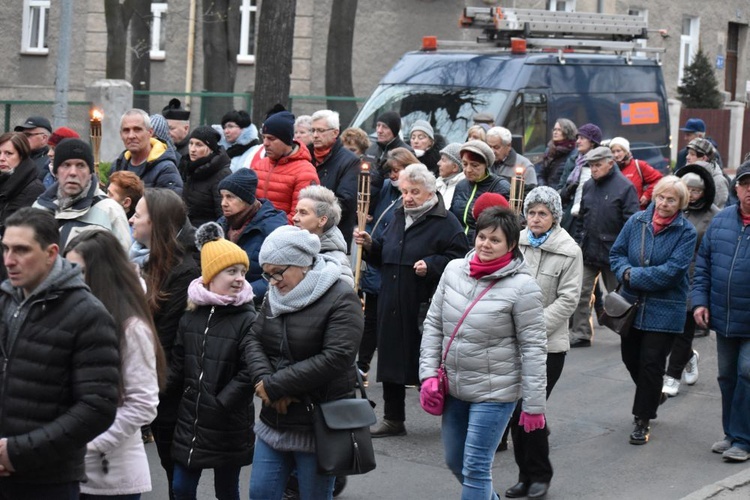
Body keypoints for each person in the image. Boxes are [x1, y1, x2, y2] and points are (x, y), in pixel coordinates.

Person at [419, 206, 548, 500]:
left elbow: (533, 349)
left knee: (476, 467)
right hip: (454, 387)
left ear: (511, 245)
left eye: (495, 240)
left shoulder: (523, 287)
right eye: (482, 237)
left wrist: (533, 405)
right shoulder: (453, 270)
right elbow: (434, 325)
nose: (485, 245)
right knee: (455, 461)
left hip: (496, 392)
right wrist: (427, 375)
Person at [0, 207, 119, 498]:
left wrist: (16, 452)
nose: (9, 260)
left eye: (21, 250)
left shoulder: (88, 314)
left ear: (51, 253)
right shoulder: (6, 299)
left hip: (46, 481)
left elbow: (97, 407)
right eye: (5, 248)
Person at [246, 225, 363, 499]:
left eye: (277, 272)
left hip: (319, 424)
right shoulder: (274, 297)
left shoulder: (341, 297)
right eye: (267, 273)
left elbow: (337, 356)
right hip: (274, 419)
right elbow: (253, 339)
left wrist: (276, 386)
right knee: (261, 492)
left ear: (301, 263)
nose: (272, 281)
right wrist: (264, 382)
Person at [354, 164, 469, 437]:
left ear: (430, 193)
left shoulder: (446, 221)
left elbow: (460, 258)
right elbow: (384, 252)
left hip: (423, 302)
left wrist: (431, 265)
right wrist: (370, 245)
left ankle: (454, 419)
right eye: (405, 191)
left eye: (415, 192)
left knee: (428, 363)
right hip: (390, 299)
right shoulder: (397, 214)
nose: (408, 197)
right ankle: (393, 419)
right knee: (391, 360)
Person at [64, 230, 166, 500]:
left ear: (102, 275)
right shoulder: (69, 316)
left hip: (110, 480)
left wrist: (85, 444)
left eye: (80, 271)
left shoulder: (131, 329)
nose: (70, 280)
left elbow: (142, 404)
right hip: (64, 472)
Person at [166, 222, 257, 499]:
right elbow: (179, 363)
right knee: (181, 487)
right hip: (191, 419)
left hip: (228, 421)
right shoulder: (190, 317)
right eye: (231, 271)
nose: (239, 278)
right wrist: (158, 391)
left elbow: (249, 371)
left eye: (242, 271)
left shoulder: (248, 319)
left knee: (227, 489)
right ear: (210, 276)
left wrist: (222, 402)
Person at [504, 187, 583, 497]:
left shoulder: (568, 250)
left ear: (555, 217)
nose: (536, 219)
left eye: (543, 214)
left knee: (529, 409)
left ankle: (539, 476)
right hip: (511, 341)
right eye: (532, 213)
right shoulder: (516, 241)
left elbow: (568, 299)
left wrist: (534, 326)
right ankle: (525, 475)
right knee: (514, 413)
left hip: (547, 346)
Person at [609, 176, 696, 445]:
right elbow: (617, 253)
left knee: (651, 363)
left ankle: (642, 420)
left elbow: (673, 271)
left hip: (665, 309)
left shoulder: (686, 231)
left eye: (672, 200)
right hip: (632, 306)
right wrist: (624, 271)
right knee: (630, 358)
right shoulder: (637, 221)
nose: (665, 204)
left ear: (681, 203)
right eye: (661, 197)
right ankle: (653, 393)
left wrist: (633, 277)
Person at [129, 188, 201, 498]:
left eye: (138, 214)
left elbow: (170, 343)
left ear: (156, 223)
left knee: (178, 480)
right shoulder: (146, 261)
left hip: (173, 394)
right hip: (156, 385)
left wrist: (148, 393)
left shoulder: (184, 271)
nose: (132, 218)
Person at [692, 160, 750, 462]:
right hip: (725, 316)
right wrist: (700, 302)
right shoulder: (723, 220)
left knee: (747, 371)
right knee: (727, 376)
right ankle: (731, 433)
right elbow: (703, 266)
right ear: (737, 188)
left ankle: (744, 438)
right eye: (746, 184)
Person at [569, 146, 639, 348]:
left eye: (598, 165)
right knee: (580, 292)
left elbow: (632, 223)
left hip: (614, 253)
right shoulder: (589, 185)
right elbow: (582, 217)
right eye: (591, 165)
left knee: (621, 296)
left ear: (611, 163)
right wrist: (578, 242)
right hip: (589, 249)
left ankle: (631, 332)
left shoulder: (625, 187)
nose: (593, 169)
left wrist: (626, 251)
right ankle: (580, 333)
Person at [660, 166, 720, 398]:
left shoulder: (713, 214)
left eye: (697, 190)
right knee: (669, 333)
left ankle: (672, 376)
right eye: (689, 189)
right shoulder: (674, 210)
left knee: (685, 330)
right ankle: (689, 357)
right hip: (668, 277)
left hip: (696, 277)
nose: (693, 194)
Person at [356, 148, 413, 385]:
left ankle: (402, 371)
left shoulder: (413, 195)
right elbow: (369, 192)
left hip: (397, 263)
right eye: (390, 171)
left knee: (398, 324)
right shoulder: (387, 188)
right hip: (376, 258)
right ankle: (361, 367)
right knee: (370, 320)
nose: (393, 175)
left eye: (397, 171)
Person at [33, 139, 131, 252]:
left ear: (90, 173)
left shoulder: (111, 212)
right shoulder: (39, 207)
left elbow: (122, 263)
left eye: (80, 165)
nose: (73, 172)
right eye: (66, 165)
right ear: (56, 172)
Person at [217, 168, 289, 304]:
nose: (223, 203)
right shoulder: (222, 225)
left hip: (256, 305)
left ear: (246, 199)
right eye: (222, 197)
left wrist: (241, 294)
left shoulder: (273, 229)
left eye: (230, 197)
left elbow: (279, 277)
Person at [252, 110, 319, 224]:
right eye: (264, 137)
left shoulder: (305, 172)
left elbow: (301, 217)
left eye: (271, 138)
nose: (265, 143)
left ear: (286, 140)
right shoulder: (259, 165)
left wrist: (266, 229)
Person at [307, 110, 359, 250]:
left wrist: (314, 215)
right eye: (313, 130)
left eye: (320, 130)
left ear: (335, 133)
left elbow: (345, 201)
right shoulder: (305, 155)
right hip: (303, 231)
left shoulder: (350, 161)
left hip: (332, 238)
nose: (315, 135)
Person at [293, 185, 354, 286]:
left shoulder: (337, 263)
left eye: (303, 213)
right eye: (296, 212)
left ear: (322, 220)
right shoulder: (293, 248)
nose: (295, 218)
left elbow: (342, 297)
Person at [450, 140, 510, 242]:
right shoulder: (461, 186)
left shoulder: (500, 187)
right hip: (458, 245)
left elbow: (508, 224)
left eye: (475, 165)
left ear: (486, 165)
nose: (468, 169)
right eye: (465, 164)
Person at [111, 109, 183, 194]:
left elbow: (171, 205)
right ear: (121, 135)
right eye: (126, 130)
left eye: (137, 129)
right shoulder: (118, 165)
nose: (131, 136)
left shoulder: (166, 169)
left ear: (150, 132)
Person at [179, 126, 232, 227]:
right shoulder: (188, 168)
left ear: (210, 149)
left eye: (199, 145)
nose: (193, 149)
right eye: (191, 143)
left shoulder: (221, 174)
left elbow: (224, 216)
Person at [557, 123, 601, 235]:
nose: (577, 141)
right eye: (577, 138)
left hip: (590, 217)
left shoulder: (600, 163)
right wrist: (568, 190)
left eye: (582, 138)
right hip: (569, 217)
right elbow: (560, 189)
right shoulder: (572, 161)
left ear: (592, 142)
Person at [0, 133, 44, 239]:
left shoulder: (34, 189)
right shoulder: (3, 179)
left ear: (21, 156)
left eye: (8, 153)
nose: (1, 158)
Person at [609, 137, 663, 210]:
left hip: (636, 212)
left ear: (626, 151)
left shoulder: (639, 165)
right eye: (613, 152)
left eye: (619, 151)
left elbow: (659, 180)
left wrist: (647, 195)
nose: (616, 155)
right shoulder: (609, 169)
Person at [365, 111, 411, 188]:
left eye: (385, 127)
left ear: (394, 130)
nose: (379, 131)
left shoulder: (406, 152)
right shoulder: (371, 149)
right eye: (378, 125)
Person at [486, 126, 537, 191]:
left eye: (496, 147)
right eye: (489, 147)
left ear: (508, 146)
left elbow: (530, 194)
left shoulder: (525, 166)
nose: (492, 151)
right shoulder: (483, 163)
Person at [683, 138, 729, 208]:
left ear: (704, 158)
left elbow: (718, 209)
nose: (687, 157)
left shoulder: (718, 181)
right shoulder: (684, 174)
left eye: (692, 154)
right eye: (688, 153)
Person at [537, 119, 576, 188]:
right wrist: (544, 189)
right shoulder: (549, 149)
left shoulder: (574, 153)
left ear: (567, 132)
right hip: (546, 193)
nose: (555, 132)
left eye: (559, 130)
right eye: (554, 129)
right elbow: (540, 174)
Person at [14, 115, 52, 181]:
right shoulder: (17, 158)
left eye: (28, 135)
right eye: (22, 135)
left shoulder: (50, 163)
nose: (24, 138)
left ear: (44, 138)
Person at [435, 143, 465, 210]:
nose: (438, 163)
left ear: (455, 167)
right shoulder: (437, 183)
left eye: (443, 160)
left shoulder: (462, 189)